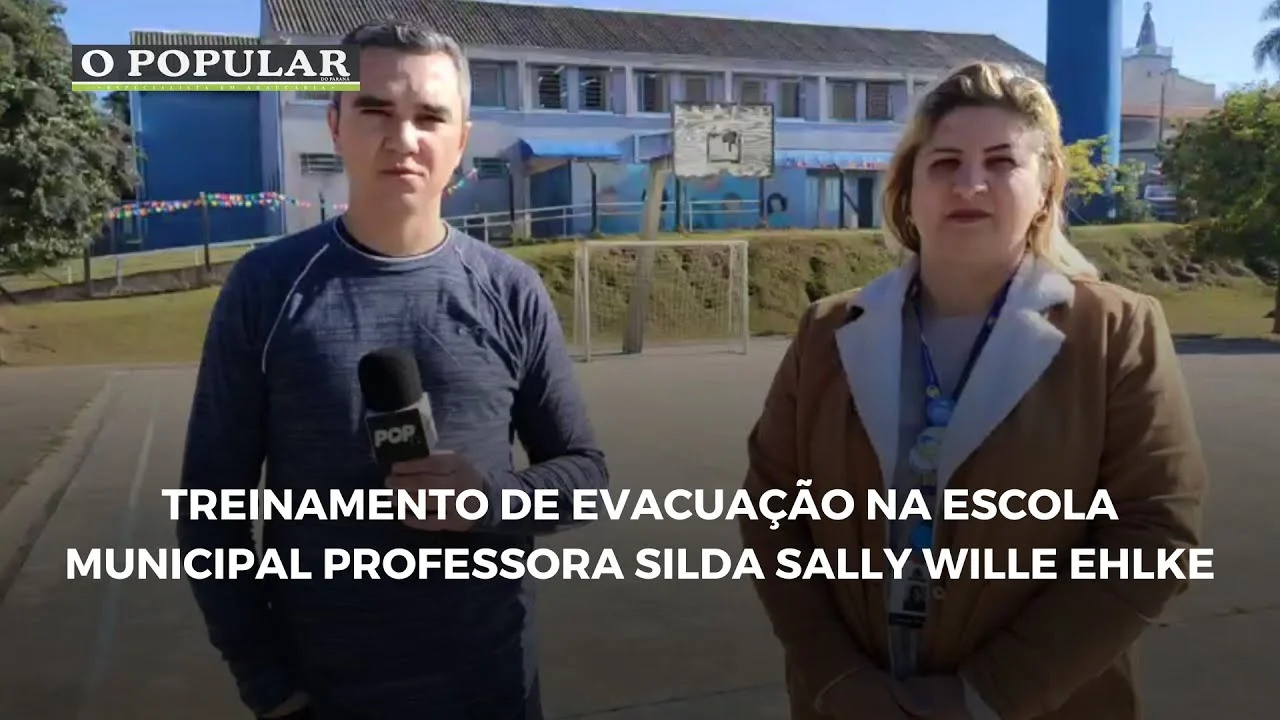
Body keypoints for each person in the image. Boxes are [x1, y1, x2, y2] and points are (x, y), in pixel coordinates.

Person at [738, 61, 1207, 720]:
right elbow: (771, 514)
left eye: (1001, 162)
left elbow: (1152, 532)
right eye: (945, 162)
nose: (970, 183)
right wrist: (834, 679)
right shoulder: (827, 333)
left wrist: (984, 697)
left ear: (1045, 188)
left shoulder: (1118, 331)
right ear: (907, 190)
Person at [176, 21, 608, 720]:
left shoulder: (510, 290)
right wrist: (269, 686)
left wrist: (492, 497)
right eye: (375, 109)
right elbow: (209, 511)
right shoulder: (266, 287)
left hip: (493, 686)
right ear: (336, 123)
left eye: (430, 117)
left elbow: (586, 477)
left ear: (459, 141)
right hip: (327, 693)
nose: (403, 139)